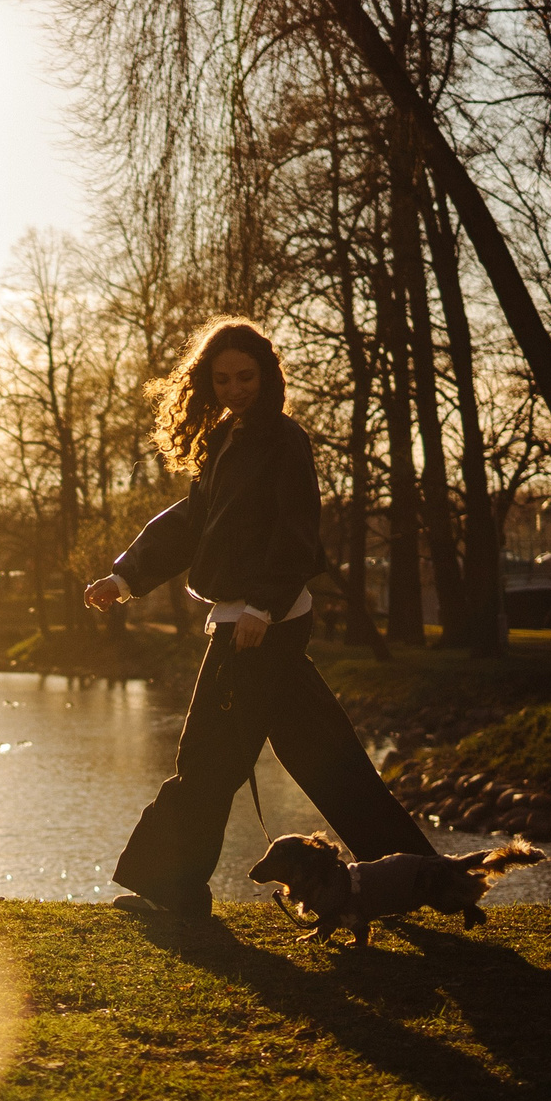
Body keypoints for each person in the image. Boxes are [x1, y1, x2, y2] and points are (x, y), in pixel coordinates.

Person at [84, 316, 431, 917]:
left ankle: (172, 889)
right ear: (208, 383)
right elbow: (192, 522)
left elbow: (297, 530)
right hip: (251, 619)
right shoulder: (225, 439)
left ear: (268, 375)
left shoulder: (284, 441)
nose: (235, 389)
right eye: (222, 380)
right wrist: (125, 578)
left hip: (259, 623)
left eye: (246, 376)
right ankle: (417, 879)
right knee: (326, 756)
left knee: (206, 759)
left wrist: (262, 606)